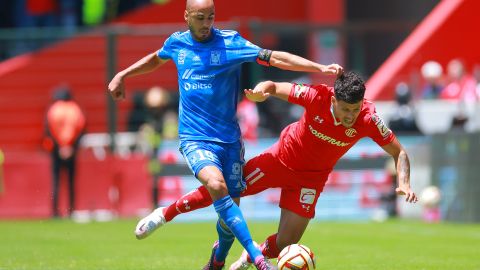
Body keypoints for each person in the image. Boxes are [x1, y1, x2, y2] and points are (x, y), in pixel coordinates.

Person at [107, 1, 342, 269]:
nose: (206, 24)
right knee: (217, 187)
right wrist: (122, 75)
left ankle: (217, 260)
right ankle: (256, 257)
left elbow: (275, 56)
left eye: (211, 17)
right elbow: (155, 59)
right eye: (200, 18)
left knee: (229, 209)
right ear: (186, 16)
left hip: (229, 140)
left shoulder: (231, 43)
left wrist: (319, 68)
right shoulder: (176, 43)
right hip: (194, 138)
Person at [134, 71, 419, 269]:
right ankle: (163, 214)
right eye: (345, 109)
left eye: (354, 110)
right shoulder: (316, 96)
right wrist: (262, 92)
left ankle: (247, 258)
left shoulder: (369, 119)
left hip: (311, 180)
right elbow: (274, 85)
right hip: (279, 161)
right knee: (224, 187)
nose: (350, 116)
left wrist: (404, 182)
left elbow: (399, 152)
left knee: (287, 243)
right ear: (333, 99)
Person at [44, 87, 86, 218]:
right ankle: (71, 211)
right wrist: (70, 147)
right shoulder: (76, 109)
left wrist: (59, 147)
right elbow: (82, 129)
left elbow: (48, 130)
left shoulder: (53, 109)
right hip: (71, 151)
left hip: (57, 151)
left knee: (56, 181)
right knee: (71, 182)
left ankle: (55, 211)